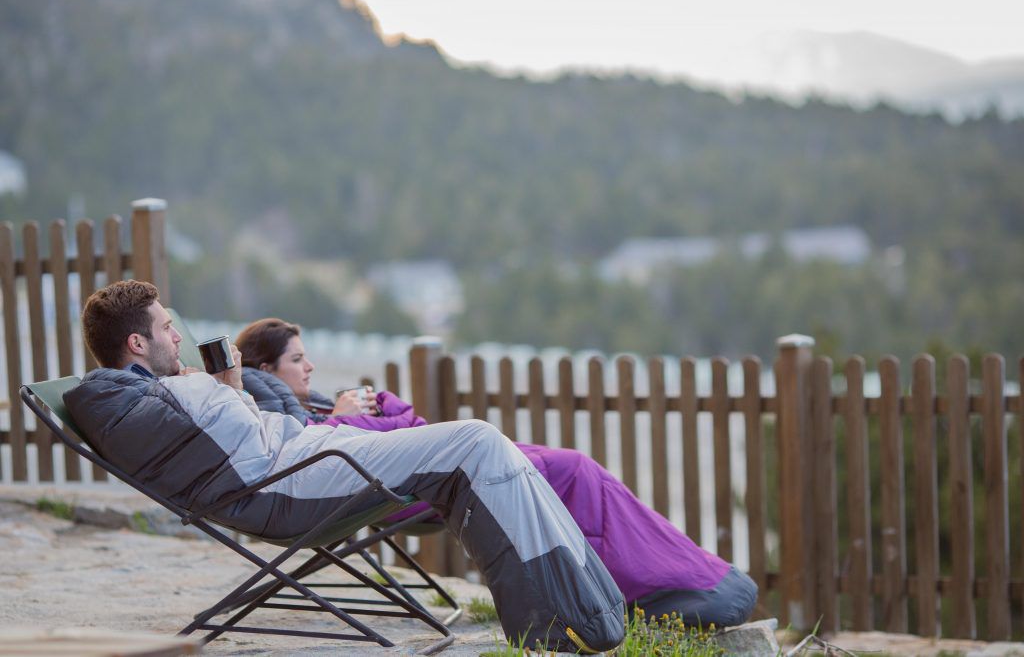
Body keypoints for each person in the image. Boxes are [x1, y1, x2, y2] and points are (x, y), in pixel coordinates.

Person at [63, 280, 625, 653]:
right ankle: (560, 626)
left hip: (299, 456)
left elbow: (226, 429)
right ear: (136, 342)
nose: (179, 337)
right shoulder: (114, 397)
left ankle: (582, 609)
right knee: (476, 443)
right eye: (166, 329)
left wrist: (222, 386)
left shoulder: (153, 392)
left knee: (478, 446)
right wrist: (209, 387)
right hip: (286, 482)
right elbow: (226, 436)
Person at [236, 317, 758, 627]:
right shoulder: (294, 422)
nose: (309, 368)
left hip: (424, 472)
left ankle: (668, 578)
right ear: (266, 371)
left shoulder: (315, 408)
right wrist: (351, 414)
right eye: (297, 360)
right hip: (416, 484)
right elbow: (354, 453)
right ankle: (650, 588)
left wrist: (360, 410)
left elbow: (407, 423)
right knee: (572, 473)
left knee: (574, 469)